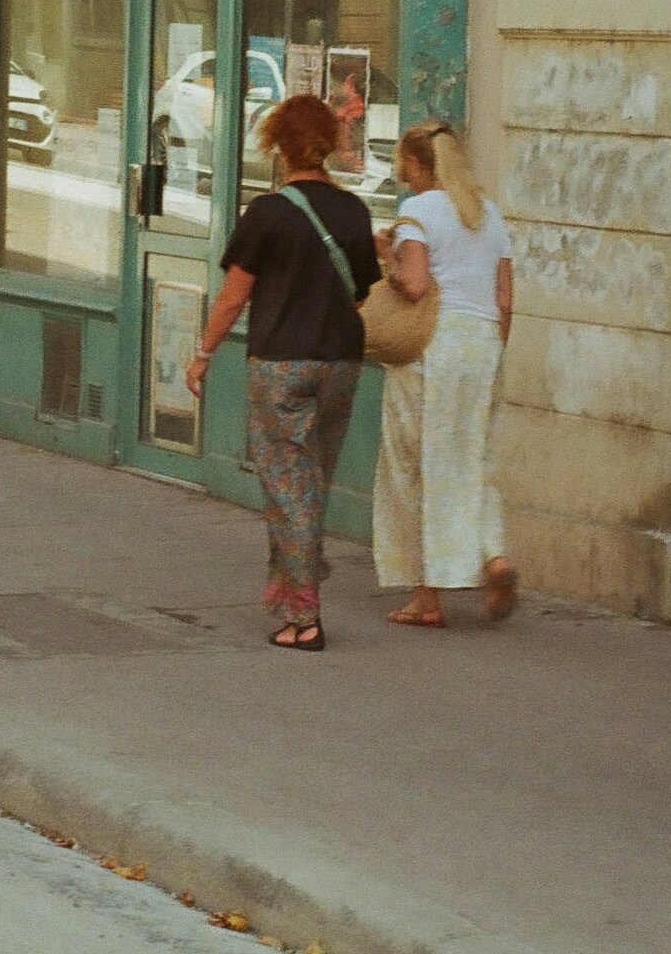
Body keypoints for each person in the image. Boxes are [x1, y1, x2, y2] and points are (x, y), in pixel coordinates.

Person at [187, 95, 381, 652]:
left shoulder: (267, 214)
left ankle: (305, 612)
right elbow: (363, 288)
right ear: (328, 145)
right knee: (309, 482)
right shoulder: (354, 211)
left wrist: (203, 353)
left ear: (276, 145)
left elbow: (233, 297)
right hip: (342, 363)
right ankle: (293, 595)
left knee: (287, 486)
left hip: (281, 366)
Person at [372, 122, 520, 628]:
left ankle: (426, 597)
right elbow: (504, 299)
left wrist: (387, 258)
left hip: (432, 346)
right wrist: (494, 350)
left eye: (404, 166)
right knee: (473, 458)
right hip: (482, 345)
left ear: (417, 165)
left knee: (412, 466)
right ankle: (494, 556)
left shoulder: (418, 212)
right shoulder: (489, 213)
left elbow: (413, 285)